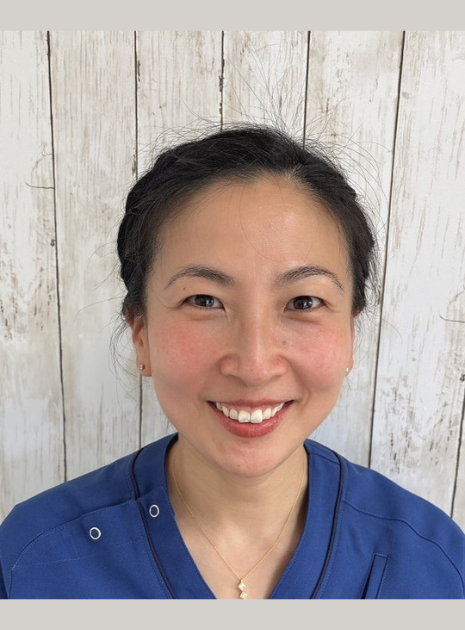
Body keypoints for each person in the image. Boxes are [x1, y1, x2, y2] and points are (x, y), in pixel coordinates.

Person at [0, 124, 464, 599]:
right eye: (204, 300)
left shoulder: (434, 566)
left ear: (350, 334)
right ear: (141, 334)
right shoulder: (31, 562)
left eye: (303, 302)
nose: (255, 365)